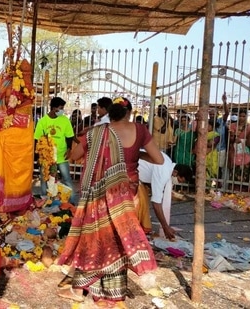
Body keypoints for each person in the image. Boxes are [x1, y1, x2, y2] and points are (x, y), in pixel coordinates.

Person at [57, 97, 163, 308]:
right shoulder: (140, 131)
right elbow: (158, 159)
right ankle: (112, 293)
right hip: (128, 195)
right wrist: (136, 154)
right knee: (119, 241)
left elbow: (74, 156)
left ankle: (79, 289)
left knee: (92, 238)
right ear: (129, 113)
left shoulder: (96, 132)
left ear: (109, 114)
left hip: (98, 195)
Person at [138, 152, 193, 240]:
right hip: (129, 171)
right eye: (179, 180)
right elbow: (156, 203)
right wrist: (165, 227)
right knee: (140, 203)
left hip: (137, 175)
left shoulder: (168, 162)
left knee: (144, 201)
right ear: (175, 172)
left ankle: (141, 228)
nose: (177, 182)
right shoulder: (164, 173)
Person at [34, 97, 77, 204]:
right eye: (60, 108)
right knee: (45, 179)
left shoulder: (64, 120)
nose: (62, 111)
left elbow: (69, 136)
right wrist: (38, 157)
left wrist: (69, 149)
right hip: (46, 157)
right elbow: (37, 140)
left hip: (61, 156)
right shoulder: (43, 122)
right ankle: (45, 202)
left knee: (67, 179)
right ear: (53, 108)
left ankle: (72, 202)